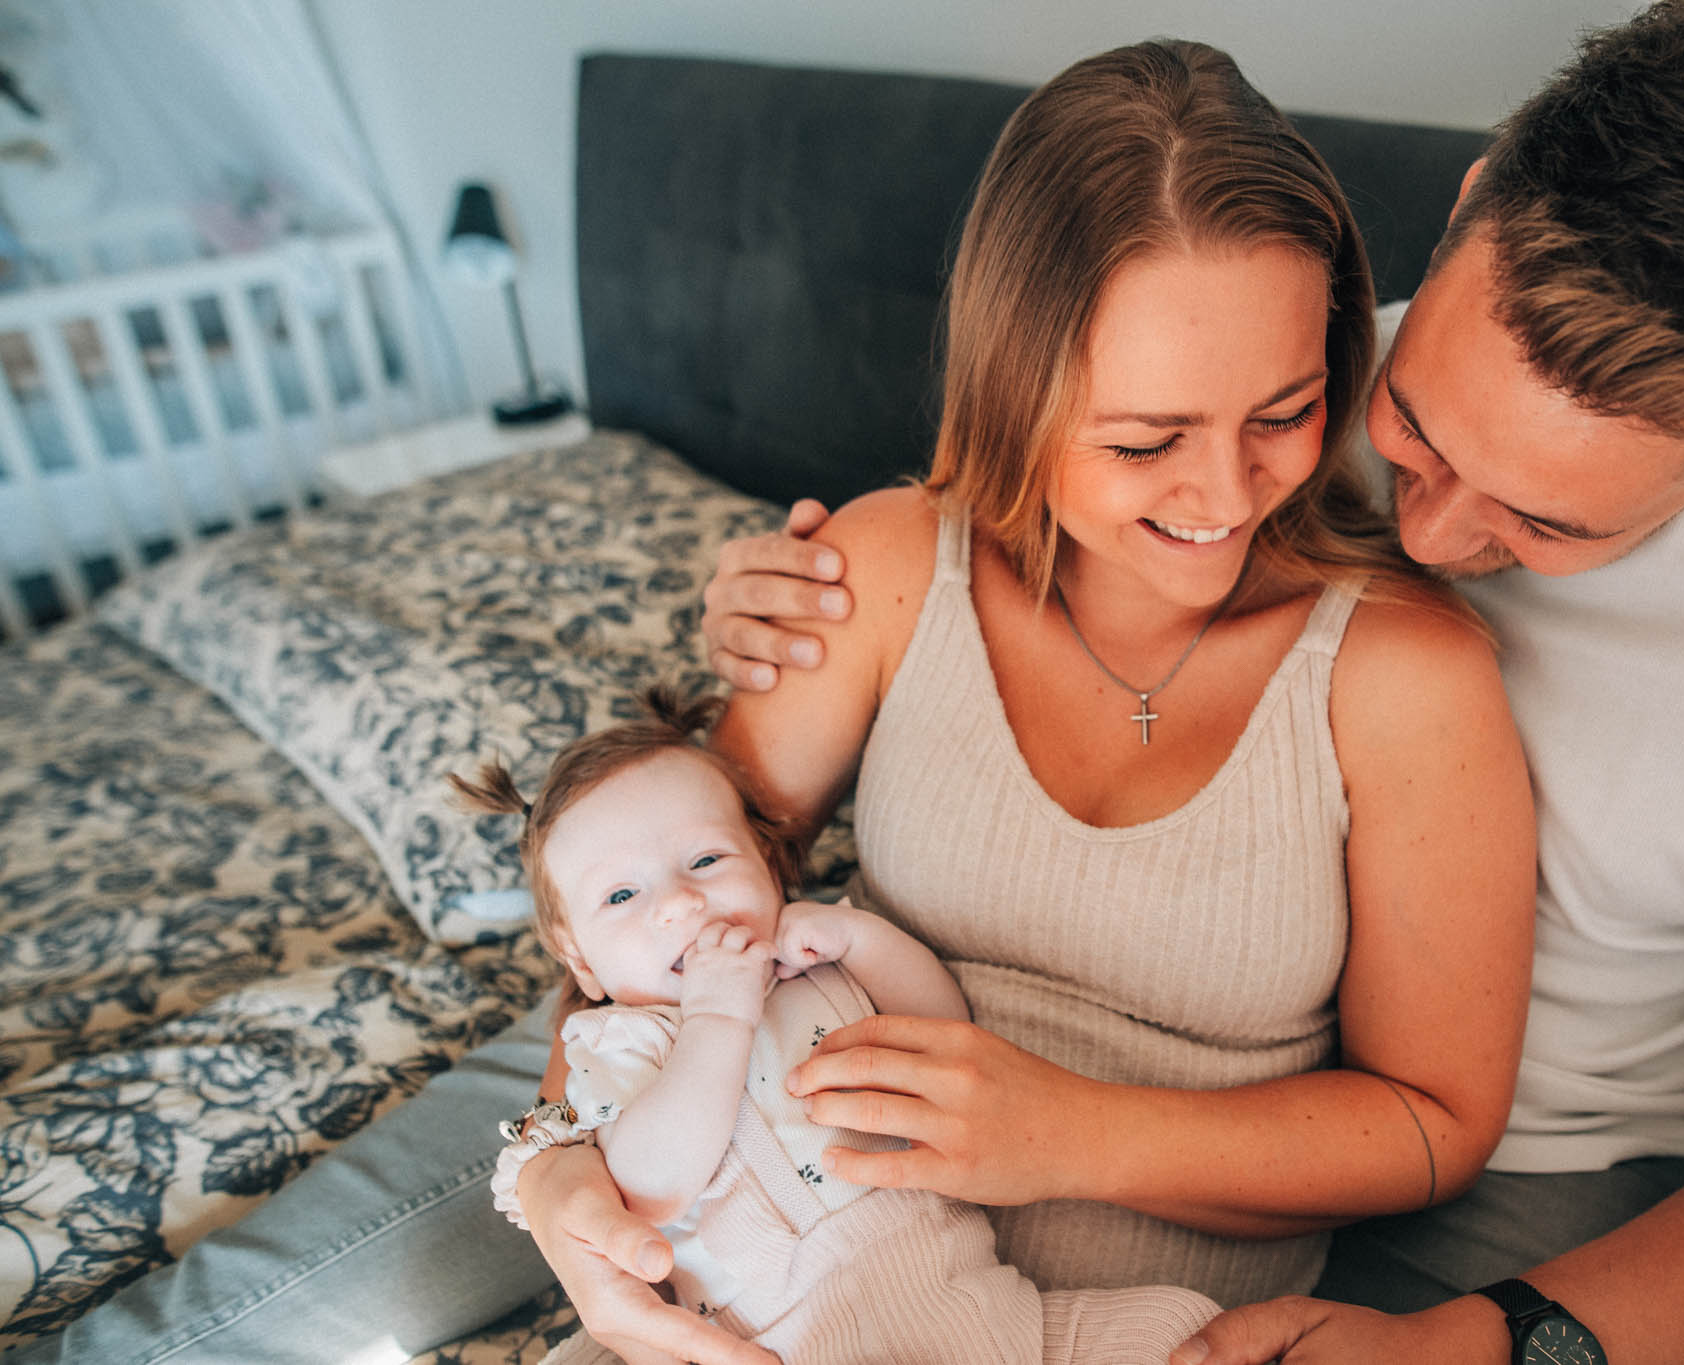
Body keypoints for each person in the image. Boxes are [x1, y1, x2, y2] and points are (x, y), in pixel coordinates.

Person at [11, 35, 1535, 1365]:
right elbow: (657, 923)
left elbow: (1432, 1125)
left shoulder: (1404, 674)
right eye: (1145, 440)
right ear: (1013, 386)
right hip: (741, 1210)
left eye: (1286, 412)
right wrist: (553, 1175)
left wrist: (1064, 1133)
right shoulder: (890, 568)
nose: (1223, 495)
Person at [707, 4, 1684, 1363]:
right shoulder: (1265, 357)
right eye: (1409, 426)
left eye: (1548, 523)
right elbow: (989, 507)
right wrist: (774, 597)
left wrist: (1488, 1345)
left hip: (1548, 1182)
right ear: (1469, 205)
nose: (1429, 539)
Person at [449, 684, 1220, 1364]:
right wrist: (716, 1016)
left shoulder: (814, 964)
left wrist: (862, 939)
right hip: (783, 1338)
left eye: (708, 860)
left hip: (974, 1301)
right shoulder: (619, 1045)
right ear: (580, 962)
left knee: (1182, 1330)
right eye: (622, 896)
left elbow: (947, 1030)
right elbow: (648, 1188)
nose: (681, 901)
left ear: (771, 867)